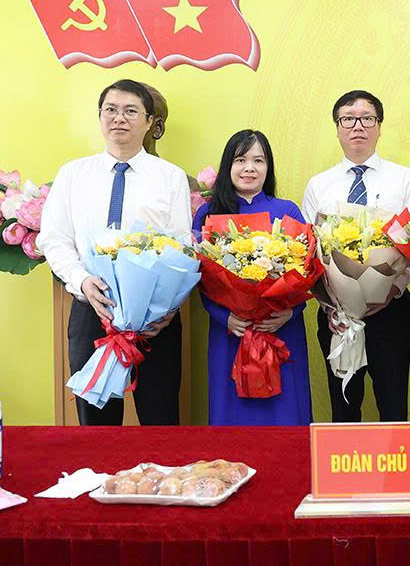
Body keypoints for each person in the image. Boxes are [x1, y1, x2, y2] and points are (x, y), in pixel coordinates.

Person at [38, 78, 191, 425]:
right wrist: (82, 280)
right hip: (92, 309)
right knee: (96, 423)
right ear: (100, 116)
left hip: (155, 319)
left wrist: (167, 308)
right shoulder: (73, 174)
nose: (119, 118)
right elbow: (54, 239)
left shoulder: (169, 177)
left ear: (149, 122)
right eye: (111, 109)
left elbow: (182, 245)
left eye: (130, 111)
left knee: (160, 418)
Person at [302, 90, 410, 422]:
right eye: (348, 119)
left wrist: (392, 289)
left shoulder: (404, 178)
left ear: (379, 126)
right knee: (344, 406)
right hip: (337, 315)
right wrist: (331, 305)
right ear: (337, 127)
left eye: (367, 118)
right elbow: (310, 251)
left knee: (393, 404)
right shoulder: (319, 185)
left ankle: (396, 460)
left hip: (391, 308)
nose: (358, 126)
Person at [193, 129, 311, 425]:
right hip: (231, 332)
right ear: (228, 165)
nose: (249, 168)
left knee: (285, 417)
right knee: (233, 419)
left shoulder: (287, 211)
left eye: (258, 160)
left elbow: (307, 273)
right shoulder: (208, 214)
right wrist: (224, 317)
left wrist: (291, 312)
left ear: (268, 167)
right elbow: (199, 279)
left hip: (280, 330)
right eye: (241, 160)